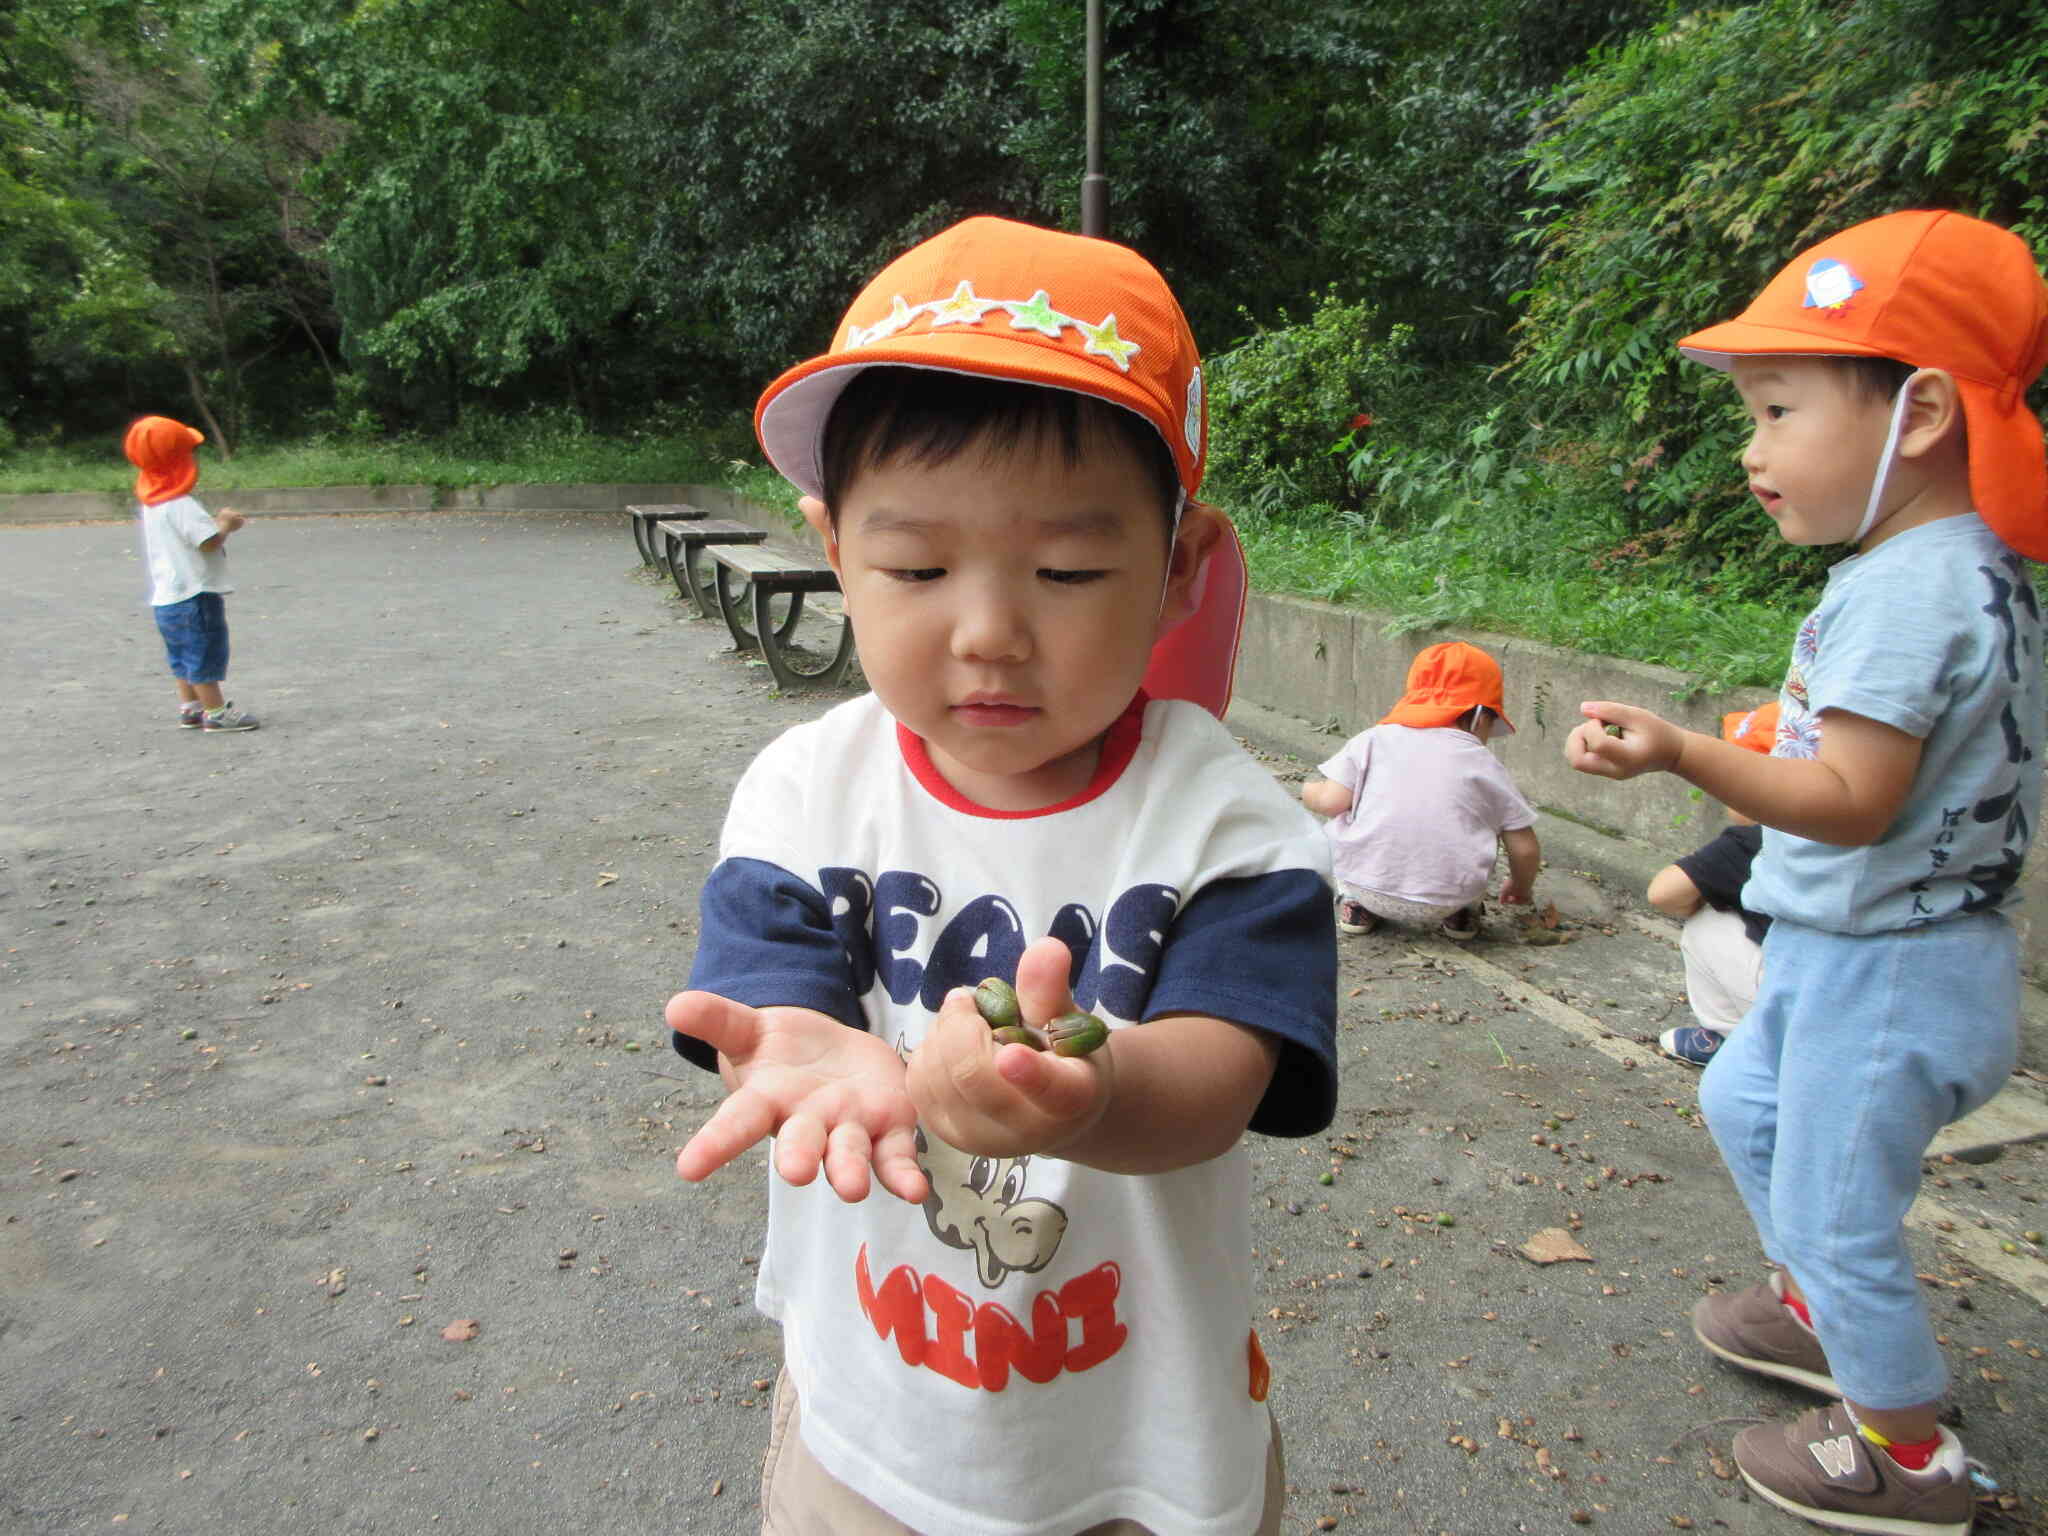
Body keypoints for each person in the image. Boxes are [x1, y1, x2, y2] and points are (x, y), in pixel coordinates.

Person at [664, 215, 1338, 1536]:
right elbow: (776, 1029)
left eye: (1070, 570)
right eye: (914, 567)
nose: (986, 634)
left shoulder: (1232, 828)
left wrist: (1079, 1095)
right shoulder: (806, 793)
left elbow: (1217, 1084)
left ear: (1180, 571)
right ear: (832, 546)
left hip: (1143, 1436)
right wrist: (801, 1059)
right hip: (868, 1420)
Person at [1566, 209, 2047, 1535]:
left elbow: (1849, 803)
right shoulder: (1958, 573)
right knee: (1744, 1101)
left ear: (1927, 413)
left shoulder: (1904, 592)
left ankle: (1906, 1452)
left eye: (1779, 411)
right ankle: (1815, 1315)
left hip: (1886, 971)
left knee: (1842, 1213)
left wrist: (1684, 753)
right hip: (1875, 955)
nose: (1751, 447)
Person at [1300, 640, 1540, 941]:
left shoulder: (1372, 740)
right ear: (1481, 716)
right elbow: (1525, 848)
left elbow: (1330, 802)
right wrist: (1520, 888)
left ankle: (1356, 905)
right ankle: (1462, 914)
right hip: (1449, 897)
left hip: (1367, 886)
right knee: (1479, 823)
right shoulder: (1484, 763)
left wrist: (1309, 790)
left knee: (1342, 817)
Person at [1648, 702, 1778, 1067]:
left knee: (1707, 918)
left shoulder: (1757, 839)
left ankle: (1733, 1040)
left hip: (1800, 1007)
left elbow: (1663, 894)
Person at [123, 415, 258, 732]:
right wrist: (227, 524)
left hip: (166, 597)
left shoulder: (152, 505)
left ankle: (190, 707)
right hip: (195, 594)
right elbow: (208, 542)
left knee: (182, 655)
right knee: (204, 653)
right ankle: (215, 711)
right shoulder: (182, 504)